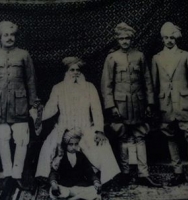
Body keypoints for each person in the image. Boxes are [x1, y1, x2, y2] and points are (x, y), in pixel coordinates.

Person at [35, 57, 120, 185]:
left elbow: (97, 111)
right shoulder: (58, 88)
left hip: (86, 127)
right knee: (49, 145)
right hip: (63, 128)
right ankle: (46, 177)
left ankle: (107, 178)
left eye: (78, 70)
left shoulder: (90, 87)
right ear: (67, 72)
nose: (75, 72)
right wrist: (38, 113)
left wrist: (99, 130)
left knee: (102, 144)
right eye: (72, 70)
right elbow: (50, 109)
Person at [101, 22, 162, 187]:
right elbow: (106, 85)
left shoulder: (139, 56)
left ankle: (144, 173)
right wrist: (111, 106)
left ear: (131, 39)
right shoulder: (112, 58)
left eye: (127, 38)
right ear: (117, 40)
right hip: (120, 106)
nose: (124, 41)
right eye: (121, 39)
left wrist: (150, 103)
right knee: (123, 137)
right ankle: (125, 173)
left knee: (140, 137)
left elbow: (147, 81)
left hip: (138, 105)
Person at [0, 21, 38, 189]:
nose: (9, 38)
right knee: (3, 138)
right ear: (0, 37)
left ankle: (17, 175)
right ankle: (7, 174)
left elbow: (31, 80)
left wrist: (33, 104)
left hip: (19, 103)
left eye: (12, 35)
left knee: (21, 139)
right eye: (6, 35)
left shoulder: (23, 55)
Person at [152, 22, 188, 192]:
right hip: (165, 105)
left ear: (176, 38)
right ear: (162, 39)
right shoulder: (157, 58)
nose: (169, 40)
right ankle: (177, 172)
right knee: (170, 137)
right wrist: (153, 104)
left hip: (185, 104)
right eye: (166, 37)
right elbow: (153, 84)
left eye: (172, 37)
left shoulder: (186, 56)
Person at [49, 128, 101, 200]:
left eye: (76, 144)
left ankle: (75, 198)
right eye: (71, 144)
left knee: (93, 191)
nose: (74, 147)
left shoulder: (81, 156)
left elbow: (89, 172)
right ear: (65, 144)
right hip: (65, 186)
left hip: (79, 186)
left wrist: (96, 182)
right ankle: (77, 198)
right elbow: (54, 172)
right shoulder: (60, 157)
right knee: (56, 191)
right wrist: (53, 183)